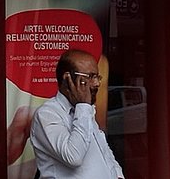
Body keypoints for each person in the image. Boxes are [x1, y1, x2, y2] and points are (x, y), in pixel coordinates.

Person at [30, 50, 124, 179]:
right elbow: (73, 156)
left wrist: (118, 175)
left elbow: (103, 150)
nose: (96, 83)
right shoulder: (47, 114)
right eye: (90, 77)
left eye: (97, 77)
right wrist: (83, 106)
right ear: (67, 79)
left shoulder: (84, 111)